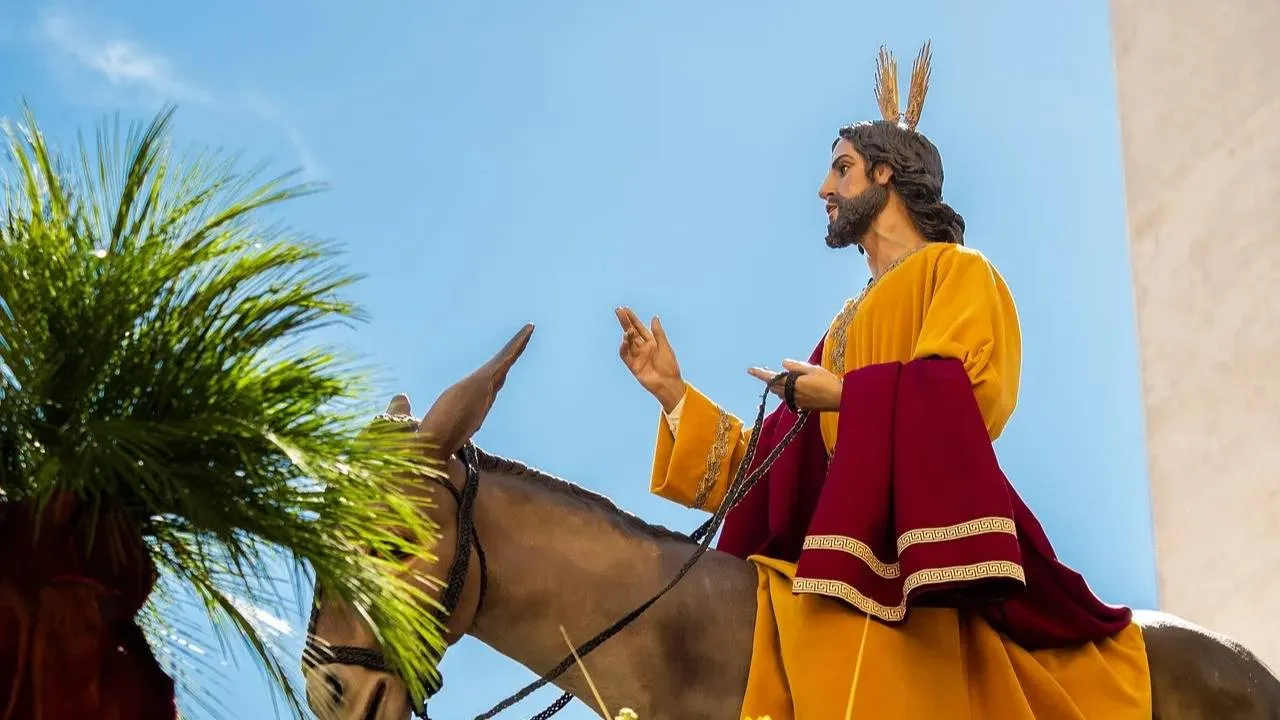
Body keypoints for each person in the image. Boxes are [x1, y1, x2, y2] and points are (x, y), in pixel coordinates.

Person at [616, 44, 1151, 719]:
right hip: (839, 556)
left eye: (840, 170)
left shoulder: (957, 272)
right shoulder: (844, 326)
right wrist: (672, 393)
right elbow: (769, 465)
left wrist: (843, 397)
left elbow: (966, 397)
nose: (823, 189)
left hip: (912, 561)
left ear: (886, 175)